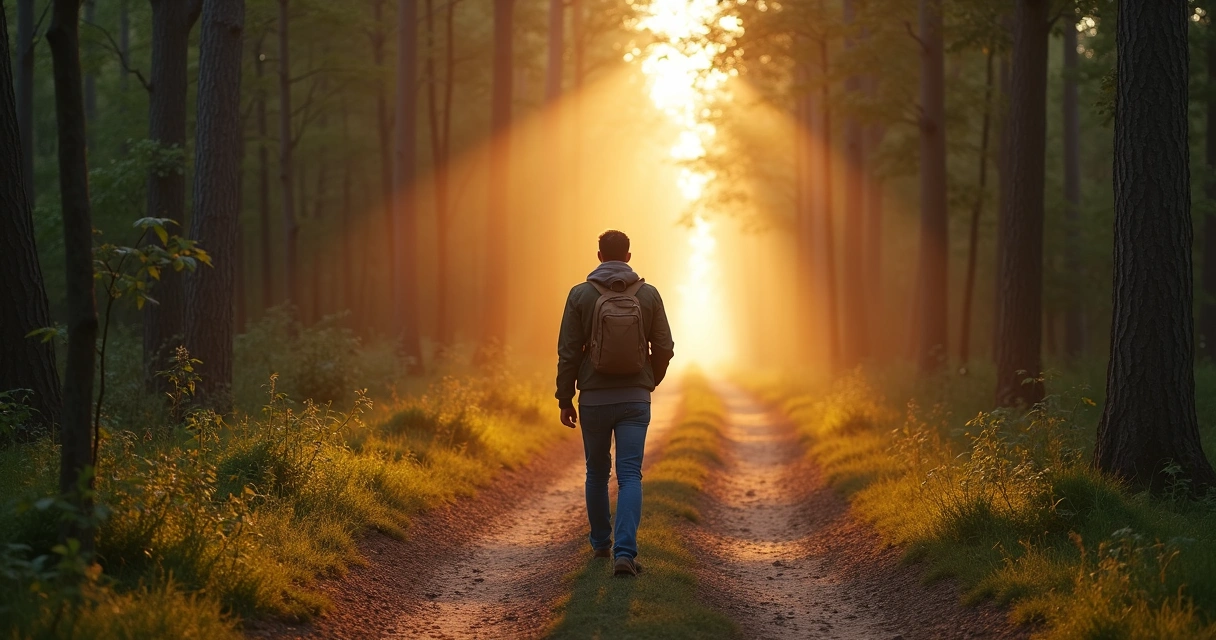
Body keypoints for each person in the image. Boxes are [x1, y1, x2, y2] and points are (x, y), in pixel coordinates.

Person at [556, 229, 675, 577]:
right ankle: (625, 553)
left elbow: (567, 352)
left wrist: (565, 397)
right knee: (630, 475)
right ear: (628, 256)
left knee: (596, 472)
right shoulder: (648, 294)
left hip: (593, 399)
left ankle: (600, 544)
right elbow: (665, 346)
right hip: (635, 399)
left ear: (599, 256)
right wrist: (649, 379)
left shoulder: (580, 295)